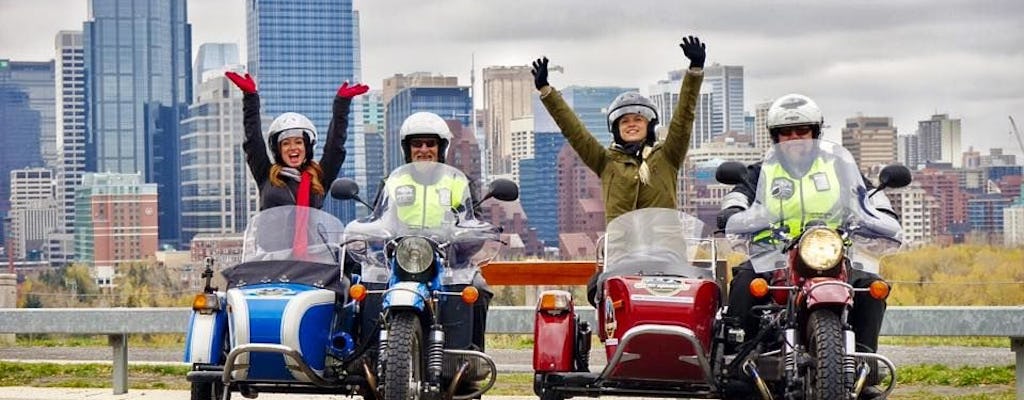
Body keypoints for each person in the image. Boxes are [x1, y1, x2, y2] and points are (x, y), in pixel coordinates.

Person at [716, 93, 896, 399]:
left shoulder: (838, 167)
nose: (795, 137)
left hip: (830, 253)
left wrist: (884, 213)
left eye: (803, 130)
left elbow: (867, 197)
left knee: (871, 288)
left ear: (815, 132)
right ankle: (740, 365)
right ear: (775, 137)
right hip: (773, 255)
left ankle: (864, 369)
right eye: (787, 132)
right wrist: (733, 212)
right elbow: (736, 200)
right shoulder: (759, 173)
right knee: (745, 282)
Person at [531, 36, 707, 305]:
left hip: (667, 256)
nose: (632, 124)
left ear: (650, 125)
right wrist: (547, 91)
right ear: (616, 128)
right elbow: (574, 131)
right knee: (611, 301)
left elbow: (684, 118)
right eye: (625, 121)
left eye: (638, 119)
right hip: (622, 257)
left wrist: (694, 71)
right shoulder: (606, 162)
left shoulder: (667, 156)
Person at [365, 111, 492, 354]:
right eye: (417, 144)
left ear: (441, 147)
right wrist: (372, 234)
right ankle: (366, 355)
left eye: (430, 143)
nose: (424, 149)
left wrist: (465, 240)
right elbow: (377, 217)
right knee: (367, 282)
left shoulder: (459, 182)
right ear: (407, 149)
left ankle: (471, 356)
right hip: (399, 260)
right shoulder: (392, 182)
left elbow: (475, 221)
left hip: (448, 262)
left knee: (478, 287)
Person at [225, 71, 369, 210]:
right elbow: (253, 141)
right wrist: (250, 97)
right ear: (278, 150)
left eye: (298, 142)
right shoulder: (267, 174)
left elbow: (335, 147)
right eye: (286, 143)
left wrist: (341, 104)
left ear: (307, 147)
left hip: (311, 236)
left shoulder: (319, 177)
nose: (293, 147)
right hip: (273, 235)